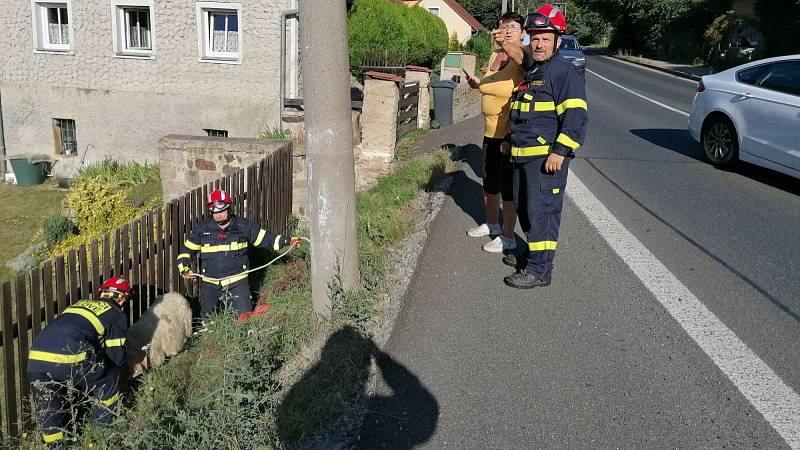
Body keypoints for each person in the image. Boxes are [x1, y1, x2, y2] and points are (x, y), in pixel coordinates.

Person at [495, 4, 588, 288]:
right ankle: (530, 254)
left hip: (544, 160)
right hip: (522, 157)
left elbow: (576, 117)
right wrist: (511, 142)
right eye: (535, 37)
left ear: (557, 41)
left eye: (546, 38)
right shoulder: (536, 70)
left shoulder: (563, 73)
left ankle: (539, 270)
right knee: (524, 208)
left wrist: (560, 152)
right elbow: (528, 113)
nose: (539, 43)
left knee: (542, 212)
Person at [27, 276, 131, 448]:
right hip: (70, 354)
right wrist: (120, 375)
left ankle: (57, 446)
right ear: (121, 297)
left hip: (36, 356)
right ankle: (98, 436)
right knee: (110, 380)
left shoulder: (78, 305)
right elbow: (116, 355)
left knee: (50, 408)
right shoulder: (115, 314)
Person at [177, 189, 301, 316]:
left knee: (244, 316)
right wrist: (184, 268)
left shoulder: (244, 226)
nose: (218, 215)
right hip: (210, 283)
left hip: (237, 282)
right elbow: (186, 251)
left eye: (221, 211)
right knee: (208, 318)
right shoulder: (202, 229)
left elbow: (267, 239)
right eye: (214, 212)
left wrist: (288, 241)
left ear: (229, 209)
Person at [464, 11, 525, 254]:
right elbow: (493, 85)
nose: (507, 30)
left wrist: (506, 43)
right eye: (503, 26)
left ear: (522, 32)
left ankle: (508, 236)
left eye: (512, 27)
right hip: (490, 132)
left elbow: (520, 59)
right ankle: (491, 224)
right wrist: (478, 83)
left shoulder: (521, 55)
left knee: (508, 189)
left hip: (509, 135)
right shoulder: (495, 56)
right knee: (489, 184)